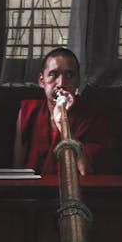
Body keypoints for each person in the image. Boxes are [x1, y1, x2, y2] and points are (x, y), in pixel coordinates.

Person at [13, 47, 114, 176]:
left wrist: (62, 123)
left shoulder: (93, 115)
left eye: (69, 75)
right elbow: (18, 168)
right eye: (53, 75)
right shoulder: (28, 111)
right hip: (34, 191)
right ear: (41, 81)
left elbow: (85, 170)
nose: (61, 83)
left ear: (78, 81)